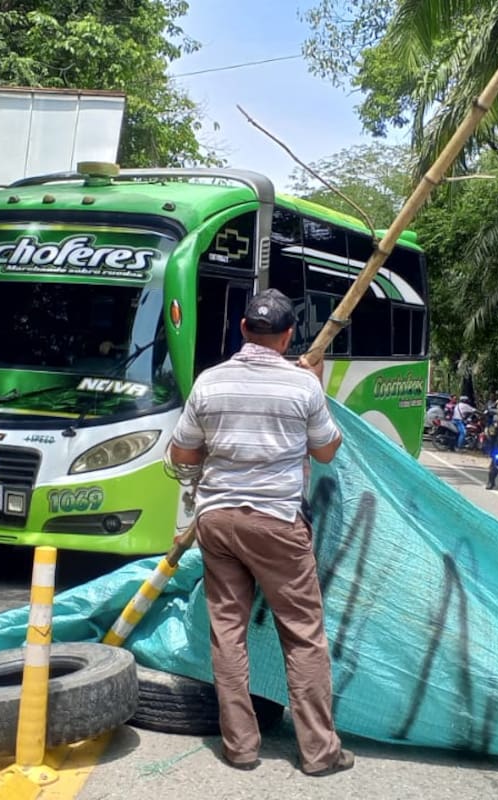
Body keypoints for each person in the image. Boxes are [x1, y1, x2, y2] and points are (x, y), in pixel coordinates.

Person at [164, 288, 353, 776]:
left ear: (244, 330)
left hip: (218, 521)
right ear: (289, 336)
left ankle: (240, 747)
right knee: (304, 635)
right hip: (277, 524)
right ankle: (318, 751)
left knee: (228, 633)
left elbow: (182, 455)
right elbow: (327, 451)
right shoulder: (303, 386)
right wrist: (318, 388)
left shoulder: (210, 382)